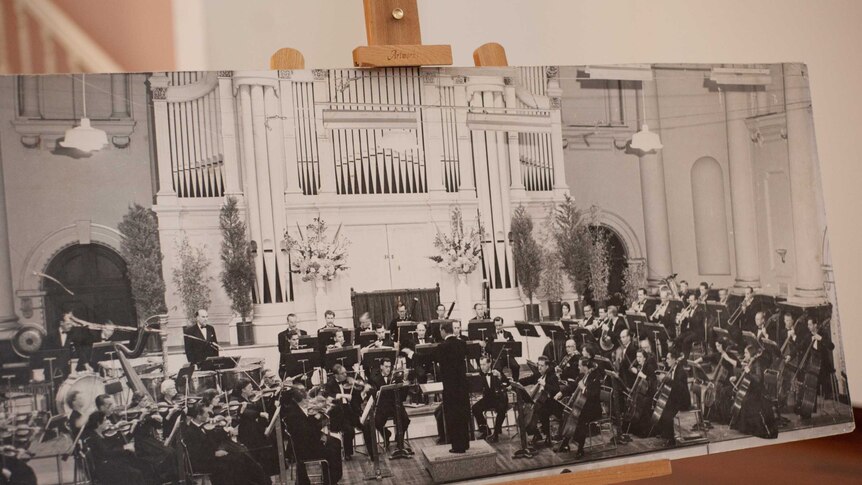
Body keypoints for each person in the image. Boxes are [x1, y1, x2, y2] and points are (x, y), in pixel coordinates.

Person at [280, 384, 342, 485]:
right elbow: (307, 433)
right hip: (306, 450)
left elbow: (307, 428)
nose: (308, 402)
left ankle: (330, 478)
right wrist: (321, 424)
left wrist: (319, 425)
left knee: (335, 442)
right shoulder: (294, 414)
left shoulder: (295, 409)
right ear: (299, 400)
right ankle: (332, 479)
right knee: (334, 446)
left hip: (306, 443)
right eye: (305, 400)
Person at [433, 321, 470, 453]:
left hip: (451, 388)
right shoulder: (462, 343)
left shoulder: (442, 347)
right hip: (463, 386)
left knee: (453, 417)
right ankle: (465, 443)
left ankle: (457, 446)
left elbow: (431, 359)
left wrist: (410, 354)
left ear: (443, 330)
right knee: (463, 414)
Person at [81, 411, 148, 485]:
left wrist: (118, 429)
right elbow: (106, 452)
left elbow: (111, 447)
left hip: (109, 462)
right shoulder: (94, 438)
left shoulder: (99, 433)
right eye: (105, 420)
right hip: (105, 468)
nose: (108, 421)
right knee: (136, 473)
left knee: (139, 463)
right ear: (98, 423)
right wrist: (124, 448)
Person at [554, 358, 602, 457]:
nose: (578, 367)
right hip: (583, 406)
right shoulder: (581, 375)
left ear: (585, 367)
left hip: (593, 409)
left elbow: (593, 395)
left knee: (580, 419)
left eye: (580, 365)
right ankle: (565, 442)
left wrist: (583, 388)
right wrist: (561, 392)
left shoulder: (595, 377)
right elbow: (572, 386)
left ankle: (580, 449)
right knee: (569, 414)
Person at [368, 358, 411, 453]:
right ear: (381, 367)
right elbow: (371, 392)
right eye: (386, 367)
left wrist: (404, 382)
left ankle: (399, 440)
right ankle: (386, 434)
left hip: (395, 404)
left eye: (390, 367)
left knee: (405, 420)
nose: (388, 369)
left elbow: (402, 393)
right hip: (383, 406)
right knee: (376, 422)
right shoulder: (374, 378)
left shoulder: (395, 376)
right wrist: (377, 392)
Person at [518, 355, 561, 448]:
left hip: (552, 404)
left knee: (541, 412)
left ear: (547, 366)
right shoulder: (539, 374)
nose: (539, 368)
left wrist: (544, 384)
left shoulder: (552, 376)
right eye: (538, 365)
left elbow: (556, 390)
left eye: (542, 366)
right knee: (524, 415)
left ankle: (548, 436)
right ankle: (537, 434)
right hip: (540, 403)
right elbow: (528, 380)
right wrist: (516, 382)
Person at [324, 364, 362, 461]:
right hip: (339, 414)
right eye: (343, 373)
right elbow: (328, 396)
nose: (345, 375)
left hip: (350, 411)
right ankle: (347, 453)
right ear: (336, 375)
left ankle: (373, 453)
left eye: (346, 372)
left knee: (365, 425)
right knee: (349, 430)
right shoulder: (330, 384)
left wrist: (358, 382)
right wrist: (343, 395)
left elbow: (358, 390)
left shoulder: (347, 380)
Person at [654, 350, 690, 447]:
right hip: (676, 397)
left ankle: (671, 440)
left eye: (668, 358)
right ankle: (665, 434)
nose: (666, 360)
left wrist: (667, 379)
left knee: (667, 412)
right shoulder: (673, 368)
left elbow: (680, 388)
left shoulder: (681, 371)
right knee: (662, 407)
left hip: (683, 400)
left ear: (674, 359)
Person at [472, 356, 509, 442]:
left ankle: (496, 433)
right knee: (475, 408)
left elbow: (507, 383)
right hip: (488, 399)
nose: (482, 367)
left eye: (484, 364)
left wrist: (499, 376)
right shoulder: (480, 373)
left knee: (501, 409)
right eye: (481, 365)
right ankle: (485, 430)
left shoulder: (497, 372)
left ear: (489, 363)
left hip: (499, 398)